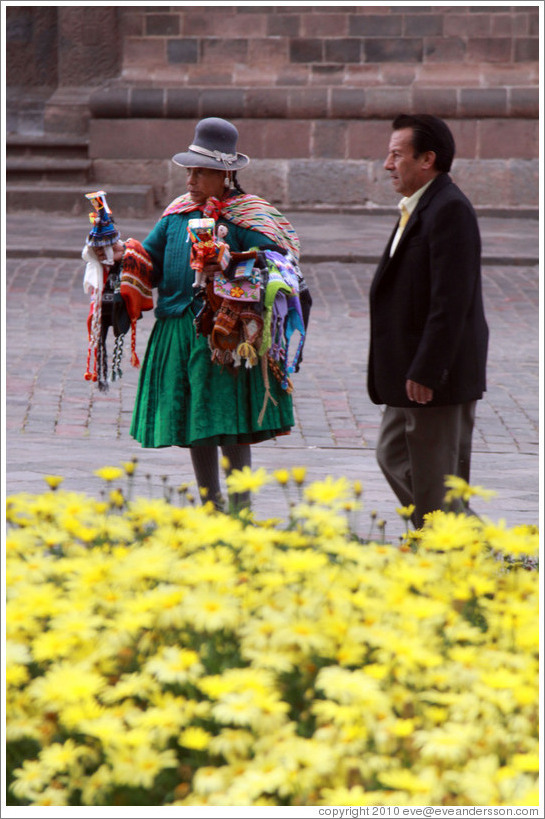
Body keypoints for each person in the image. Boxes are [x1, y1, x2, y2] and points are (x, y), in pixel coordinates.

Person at [130, 117, 304, 511]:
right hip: (178, 329)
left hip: (226, 333)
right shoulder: (176, 215)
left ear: (226, 173)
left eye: (201, 171)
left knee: (229, 421)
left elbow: (278, 263)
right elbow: (150, 261)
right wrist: (116, 257)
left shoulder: (247, 216)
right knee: (197, 421)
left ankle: (240, 508)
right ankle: (211, 505)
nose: (190, 180)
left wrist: (232, 261)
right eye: (189, 171)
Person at [367, 114, 489, 528]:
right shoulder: (420, 206)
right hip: (407, 370)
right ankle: (456, 538)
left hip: (436, 374)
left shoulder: (450, 209)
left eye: (396, 155)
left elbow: (450, 303)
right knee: (392, 454)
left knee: (437, 484)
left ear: (427, 160)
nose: (387, 164)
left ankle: (457, 549)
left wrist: (427, 369)